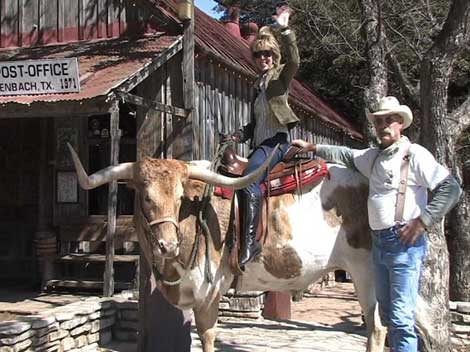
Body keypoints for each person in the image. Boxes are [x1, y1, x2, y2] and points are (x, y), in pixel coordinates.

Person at [292, 96, 462, 352]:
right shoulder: (373, 158)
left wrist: (423, 221)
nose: (383, 126)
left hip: (403, 243)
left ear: (400, 124)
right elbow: (345, 154)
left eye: (389, 120)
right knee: (385, 311)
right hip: (380, 242)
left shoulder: (414, 155)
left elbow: (451, 188)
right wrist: (312, 147)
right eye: (379, 121)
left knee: (402, 318)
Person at [229, 5, 300, 268]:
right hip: (259, 145)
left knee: (249, 183)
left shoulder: (280, 77)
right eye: (259, 55)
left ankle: (251, 244)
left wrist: (284, 28)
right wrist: (239, 134)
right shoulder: (257, 87)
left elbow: (294, 61)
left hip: (277, 143)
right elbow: (255, 124)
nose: (263, 58)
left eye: (268, 54)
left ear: (274, 55)